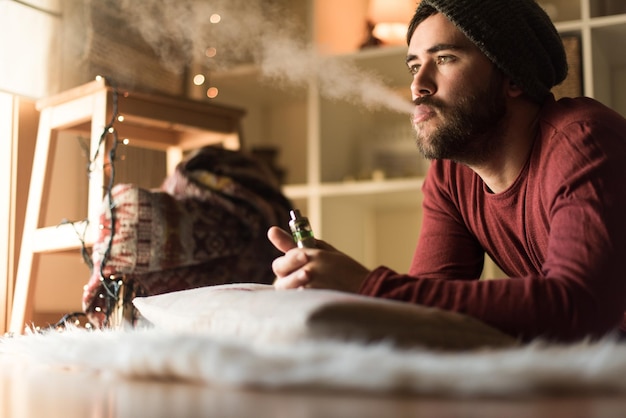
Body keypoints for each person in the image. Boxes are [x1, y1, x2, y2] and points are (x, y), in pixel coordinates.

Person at [268, 0, 626, 343]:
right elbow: (428, 314)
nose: (417, 85)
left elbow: (578, 309)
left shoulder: (584, 141)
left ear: (513, 77)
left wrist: (367, 287)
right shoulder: (451, 176)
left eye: (444, 58)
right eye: (413, 66)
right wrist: (343, 285)